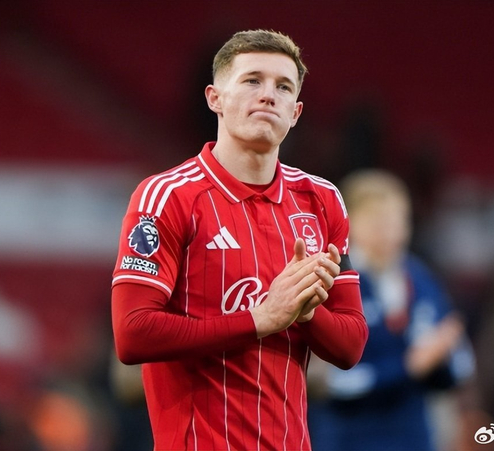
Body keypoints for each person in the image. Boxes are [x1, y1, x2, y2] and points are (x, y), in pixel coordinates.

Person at [110, 29, 368, 451]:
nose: (268, 95)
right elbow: (132, 332)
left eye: (283, 87)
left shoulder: (322, 201)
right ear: (215, 98)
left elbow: (351, 345)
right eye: (252, 80)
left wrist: (304, 313)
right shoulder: (167, 197)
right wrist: (259, 319)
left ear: (296, 112)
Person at [308, 169, 475, 451]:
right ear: (351, 223)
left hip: (413, 438)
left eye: (399, 221)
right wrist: (407, 367)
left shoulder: (420, 278)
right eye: (379, 221)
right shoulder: (331, 279)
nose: (391, 232)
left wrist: (442, 358)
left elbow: (461, 365)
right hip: (349, 439)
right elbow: (325, 382)